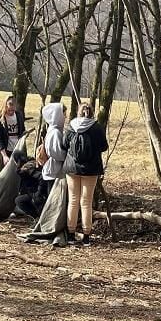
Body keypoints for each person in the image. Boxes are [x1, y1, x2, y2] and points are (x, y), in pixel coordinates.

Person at [63, 101, 108, 245]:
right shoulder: (96, 128)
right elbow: (103, 146)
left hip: (72, 168)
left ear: (79, 111)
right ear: (91, 112)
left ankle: (70, 234)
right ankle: (87, 235)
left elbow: (64, 144)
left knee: (73, 200)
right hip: (91, 169)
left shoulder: (71, 125)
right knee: (86, 202)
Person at [0, 96, 25, 170]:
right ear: (5, 105)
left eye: (13, 109)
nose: (11, 110)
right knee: (4, 174)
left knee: (18, 173)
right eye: (10, 105)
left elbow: (22, 131)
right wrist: (4, 156)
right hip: (6, 151)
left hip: (18, 150)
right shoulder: (0, 120)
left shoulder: (19, 116)